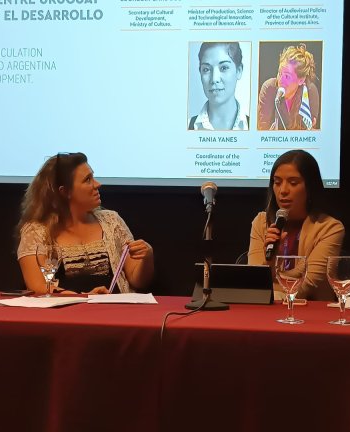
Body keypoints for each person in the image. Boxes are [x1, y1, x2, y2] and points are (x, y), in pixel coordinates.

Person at [17, 152, 154, 295]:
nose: (97, 184)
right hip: (66, 313)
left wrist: (147, 257)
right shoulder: (36, 231)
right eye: (87, 180)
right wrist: (84, 298)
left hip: (115, 310)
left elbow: (137, 280)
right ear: (65, 192)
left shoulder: (111, 221)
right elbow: (37, 286)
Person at [248, 149, 345, 300]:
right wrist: (270, 261)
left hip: (314, 316)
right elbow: (253, 283)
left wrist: (269, 288)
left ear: (310, 187)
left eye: (293, 183)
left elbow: (308, 286)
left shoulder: (330, 228)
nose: (283, 191)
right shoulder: (261, 223)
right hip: (266, 314)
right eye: (277, 182)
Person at [257, 43, 320, 131]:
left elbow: (311, 132)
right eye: (280, 73)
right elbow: (262, 128)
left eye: (287, 76)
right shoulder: (269, 88)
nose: (281, 80)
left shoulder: (310, 91)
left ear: (301, 80)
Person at [188, 42, 249, 131]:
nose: (214, 79)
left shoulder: (257, 127)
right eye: (206, 69)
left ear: (239, 71)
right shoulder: (186, 126)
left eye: (223, 68)